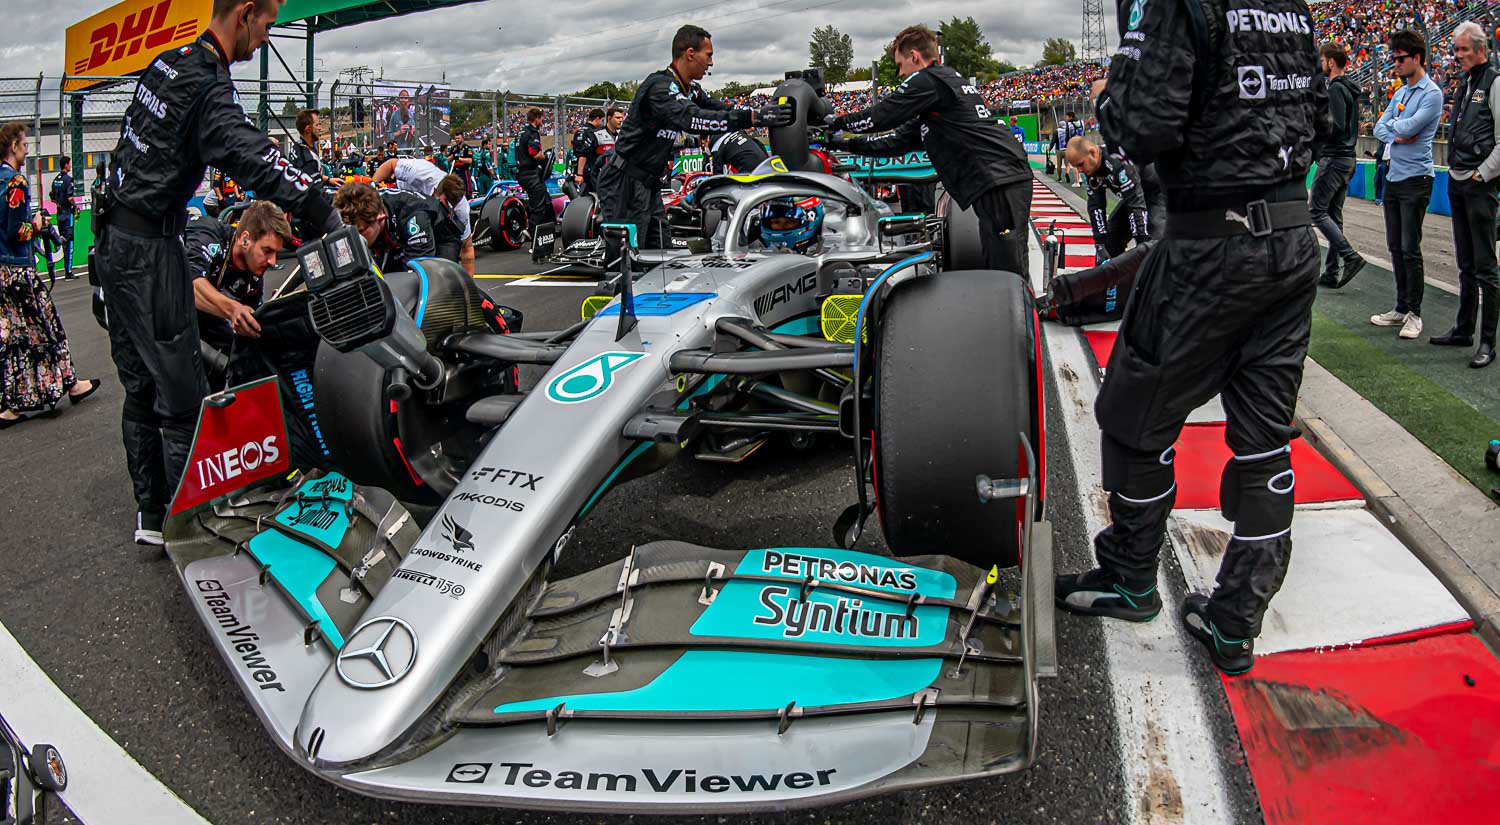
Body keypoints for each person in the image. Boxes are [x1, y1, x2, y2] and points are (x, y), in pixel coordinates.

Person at [1052, 0, 1329, 676]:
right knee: (1264, 440)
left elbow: (1141, 125)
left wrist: (1108, 91)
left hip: (1212, 245)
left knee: (1131, 413)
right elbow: (1319, 119)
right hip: (1292, 242)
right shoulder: (1290, 6)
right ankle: (1235, 623)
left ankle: (1128, 577)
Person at [94, 0, 338, 547]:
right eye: (269, 24)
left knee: (138, 389)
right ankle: (193, 526)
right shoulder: (206, 80)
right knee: (181, 396)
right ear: (245, 13)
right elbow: (247, 152)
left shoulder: (166, 62)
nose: (265, 37)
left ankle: (152, 516)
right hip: (149, 250)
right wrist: (317, 205)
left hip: (114, 238)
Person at [825, 25, 1033, 273]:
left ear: (914, 56)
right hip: (997, 179)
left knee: (1006, 266)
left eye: (901, 65)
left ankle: (1019, 310)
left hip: (998, 178)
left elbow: (883, 116)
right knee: (999, 259)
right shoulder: (938, 94)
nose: (901, 74)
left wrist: (835, 123)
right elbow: (897, 142)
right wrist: (844, 143)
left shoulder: (929, 79)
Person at [598, 25, 793, 268]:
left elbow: (717, 108)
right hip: (624, 182)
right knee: (625, 263)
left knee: (659, 257)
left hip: (647, 184)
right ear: (690, 53)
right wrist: (753, 118)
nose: (711, 63)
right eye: (708, 55)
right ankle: (613, 303)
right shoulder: (660, 86)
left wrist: (762, 113)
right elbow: (691, 119)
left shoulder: (689, 89)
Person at [0, 122, 101, 430]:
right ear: (13, 147)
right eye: (24, 143)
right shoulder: (15, 182)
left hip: (2, 271)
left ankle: (9, 405)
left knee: (13, 337)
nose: (27, 148)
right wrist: (38, 223)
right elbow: (17, 231)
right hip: (19, 268)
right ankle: (71, 384)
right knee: (49, 326)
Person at [1433, 21, 1500, 368]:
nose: (1457, 55)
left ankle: (1488, 342)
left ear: (1480, 50)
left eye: (1463, 50)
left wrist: (1481, 174)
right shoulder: (1464, 83)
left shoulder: (1495, 83)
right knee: (1465, 264)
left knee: (1487, 267)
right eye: (1455, 50)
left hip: (1478, 185)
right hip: (1458, 180)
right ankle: (1463, 328)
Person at [1370, 29, 1442, 341]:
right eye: (1394, 59)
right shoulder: (1400, 93)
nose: (1395, 64)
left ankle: (1415, 313)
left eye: (1400, 59)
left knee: (1410, 247)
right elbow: (1378, 127)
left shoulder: (1432, 93)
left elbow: (1411, 128)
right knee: (1395, 246)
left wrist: (1396, 130)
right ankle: (1400, 307)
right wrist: (1398, 133)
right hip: (1395, 177)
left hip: (1417, 178)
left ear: (1416, 58)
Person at [184, 202, 293, 386]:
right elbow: (188, 285)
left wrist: (275, 312)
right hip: (152, 303)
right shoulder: (209, 235)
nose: (273, 262)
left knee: (238, 356)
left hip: (202, 314)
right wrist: (234, 309)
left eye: (276, 253)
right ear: (245, 239)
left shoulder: (253, 278)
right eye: (267, 251)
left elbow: (252, 324)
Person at [1312, 43, 1367, 289]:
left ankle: (1350, 256)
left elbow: (1336, 126)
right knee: (1333, 214)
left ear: (1331, 62)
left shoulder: (1335, 88)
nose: (1320, 64)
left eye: (1322, 59)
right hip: (1347, 158)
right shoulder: (1349, 88)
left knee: (1316, 211)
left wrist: (1316, 134)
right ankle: (1332, 271)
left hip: (1334, 158)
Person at [1064, 135, 1165, 259]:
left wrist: (1141, 242)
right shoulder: (1091, 171)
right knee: (1110, 239)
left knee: (1151, 244)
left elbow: (1135, 204)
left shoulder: (1118, 160)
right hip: (1134, 196)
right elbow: (1096, 206)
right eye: (1076, 167)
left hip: (1159, 193)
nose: (1079, 170)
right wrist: (1100, 244)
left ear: (1093, 153)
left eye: (1080, 164)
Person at [371, 155, 475, 274]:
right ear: (435, 191)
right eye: (445, 206)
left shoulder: (461, 209)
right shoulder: (421, 173)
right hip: (401, 207)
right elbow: (390, 164)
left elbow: (467, 247)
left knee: (445, 265)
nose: (448, 210)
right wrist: (371, 189)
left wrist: (470, 285)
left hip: (428, 219)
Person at [334, 182, 449, 273]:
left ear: (380, 218)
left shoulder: (414, 218)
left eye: (361, 232)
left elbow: (416, 272)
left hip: (442, 234)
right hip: (394, 232)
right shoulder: (367, 211)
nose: (355, 239)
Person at [514, 108, 552, 234]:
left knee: (543, 199)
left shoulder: (520, 131)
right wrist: (545, 157)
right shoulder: (532, 132)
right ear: (536, 118)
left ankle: (548, 229)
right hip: (530, 173)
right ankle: (531, 231)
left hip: (522, 173)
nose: (542, 121)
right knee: (539, 206)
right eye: (541, 118)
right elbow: (534, 153)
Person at [48, 156, 76, 281]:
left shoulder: (55, 180)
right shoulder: (68, 180)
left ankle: (66, 269)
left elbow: (52, 197)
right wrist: (76, 206)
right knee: (69, 242)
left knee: (64, 241)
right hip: (67, 213)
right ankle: (68, 272)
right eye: (69, 164)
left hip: (59, 213)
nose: (70, 166)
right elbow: (70, 198)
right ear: (66, 165)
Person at [570, 110, 604, 194]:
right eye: (602, 120)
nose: (602, 123)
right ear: (597, 119)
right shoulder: (593, 132)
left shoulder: (579, 131)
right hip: (589, 168)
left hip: (577, 166)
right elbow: (584, 153)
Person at [289, 108, 323, 182]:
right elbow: (316, 189)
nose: (320, 128)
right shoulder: (308, 159)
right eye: (317, 125)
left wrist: (329, 180)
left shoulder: (297, 146)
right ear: (308, 129)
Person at [447, 131, 474, 197]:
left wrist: (459, 158)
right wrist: (453, 155)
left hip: (464, 171)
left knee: (467, 189)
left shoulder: (467, 148)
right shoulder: (454, 148)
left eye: (458, 138)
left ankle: (469, 200)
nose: (457, 140)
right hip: (455, 172)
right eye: (456, 138)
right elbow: (447, 160)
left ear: (462, 138)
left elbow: (470, 160)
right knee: (455, 189)